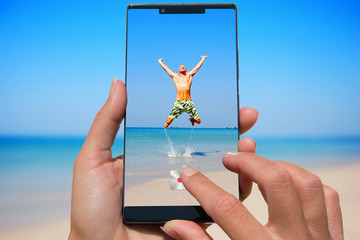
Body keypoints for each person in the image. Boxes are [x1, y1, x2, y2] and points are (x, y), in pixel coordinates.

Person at [69, 77, 344, 240]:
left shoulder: (190, 77)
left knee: (195, 120)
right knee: (167, 124)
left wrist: (200, 61)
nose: (180, 71)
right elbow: (167, 71)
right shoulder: (175, 78)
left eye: (183, 68)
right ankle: (175, 141)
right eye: (177, 69)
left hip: (188, 102)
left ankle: (188, 134)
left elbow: (197, 70)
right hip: (179, 101)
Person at [157, 56, 207, 129]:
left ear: (186, 69)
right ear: (178, 70)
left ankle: (192, 120)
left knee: (199, 121)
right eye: (180, 67)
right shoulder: (175, 76)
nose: (182, 67)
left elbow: (197, 67)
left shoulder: (189, 75)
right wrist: (160, 62)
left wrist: (202, 59)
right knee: (168, 122)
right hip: (179, 103)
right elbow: (167, 69)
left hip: (188, 103)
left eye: (183, 67)